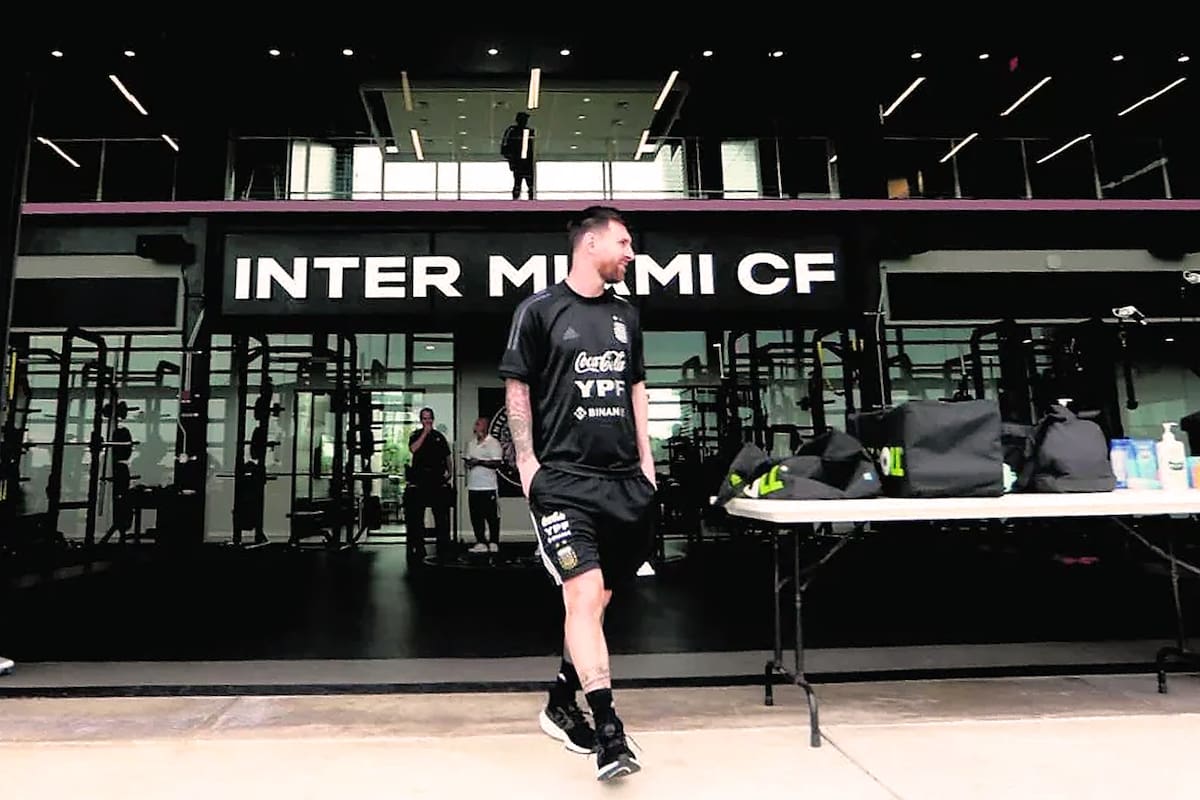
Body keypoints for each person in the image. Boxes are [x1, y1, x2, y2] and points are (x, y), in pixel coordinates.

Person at [499, 205, 655, 782]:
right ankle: (609, 733)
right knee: (583, 596)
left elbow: (636, 388)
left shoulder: (626, 316)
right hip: (563, 482)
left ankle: (560, 700)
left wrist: (647, 462)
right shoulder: (539, 310)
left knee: (598, 603)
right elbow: (517, 387)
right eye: (623, 242)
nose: (631, 253)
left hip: (624, 484)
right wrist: (528, 464)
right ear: (589, 244)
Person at [405, 407, 453, 560]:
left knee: (441, 516)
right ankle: (418, 547)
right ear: (421, 420)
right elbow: (413, 449)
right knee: (416, 517)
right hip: (420, 481)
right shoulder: (415, 435)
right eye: (424, 418)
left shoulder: (439, 437)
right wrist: (425, 434)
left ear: (433, 419)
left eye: (429, 418)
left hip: (437, 480)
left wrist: (450, 472)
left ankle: (443, 547)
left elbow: (447, 457)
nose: (427, 421)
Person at [463, 416, 503, 553]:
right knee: (476, 516)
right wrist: (469, 463)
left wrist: (479, 462)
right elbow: (468, 461)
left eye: (478, 424)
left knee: (492, 516)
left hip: (489, 487)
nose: (476, 426)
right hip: (474, 487)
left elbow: (497, 463)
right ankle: (480, 542)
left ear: (485, 427)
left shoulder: (493, 443)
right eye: (476, 424)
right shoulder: (471, 443)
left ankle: (494, 542)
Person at [500, 112, 535, 200]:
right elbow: (505, 146)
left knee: (527, 184)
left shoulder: (527, 131)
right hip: (519, 161)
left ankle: (528, 200)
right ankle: (518, 200)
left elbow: (530, 149)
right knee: (518, 183)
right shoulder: (512, 131)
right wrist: (511, 159)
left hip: (525, 162)